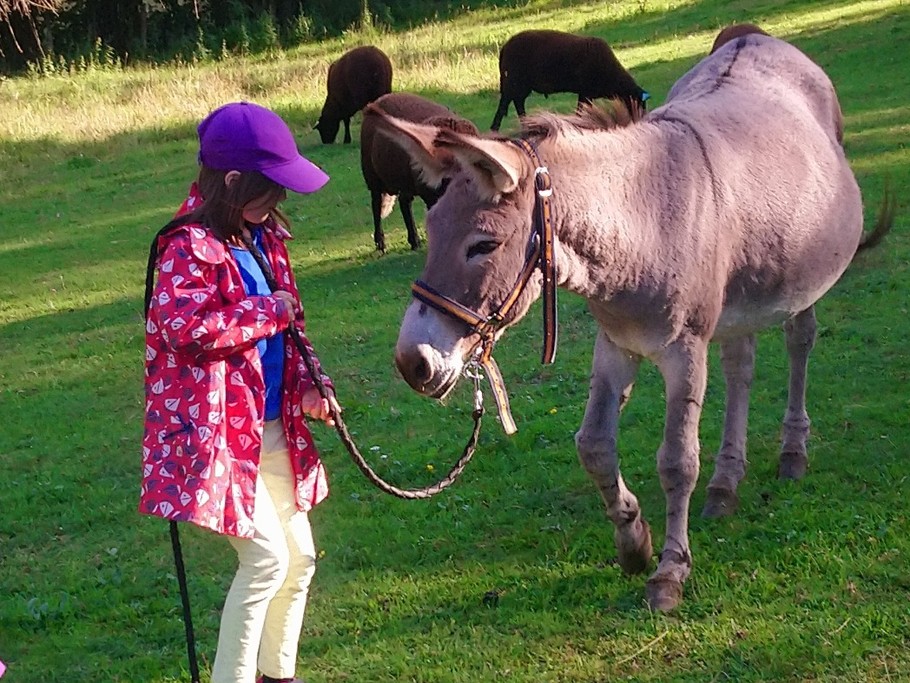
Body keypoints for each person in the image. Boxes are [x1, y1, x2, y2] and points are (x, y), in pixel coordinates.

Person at [140, 101, 341, 683]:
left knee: (299, 558)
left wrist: (310, 387)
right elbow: (184, 328)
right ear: (232, 182)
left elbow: (292, 326)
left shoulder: (265, 238)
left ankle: (278, 675)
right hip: (221, 438)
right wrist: (263, 312)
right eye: (270, 188)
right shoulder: (185, 245)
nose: (278, 201)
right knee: (266, 560)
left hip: (272, 427)